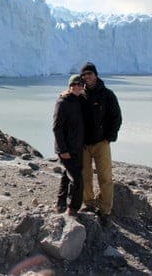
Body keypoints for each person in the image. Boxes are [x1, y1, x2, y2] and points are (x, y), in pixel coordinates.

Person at [79, 62, 122, 226]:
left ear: (95, 75)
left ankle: (105, 209)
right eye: (84, 75)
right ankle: (88, 203)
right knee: (85, 175)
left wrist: (109, 137)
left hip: (101, 142)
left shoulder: (107, 94)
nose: (86, 77)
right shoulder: (80, 95)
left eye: (89, 74)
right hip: (83, 144)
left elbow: (116, 117)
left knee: (105, 176)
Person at [52, 74, 86, 216]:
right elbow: (57, 127)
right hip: (66, 149)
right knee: (78, 179)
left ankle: (60, 203)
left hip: (77, 147)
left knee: (67, 175)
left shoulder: (79, 101)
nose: (77, 87)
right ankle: (73, 208)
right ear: (69, 86)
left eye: (80, 84)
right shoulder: (63, 102)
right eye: (74, 84)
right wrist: (62, 149)